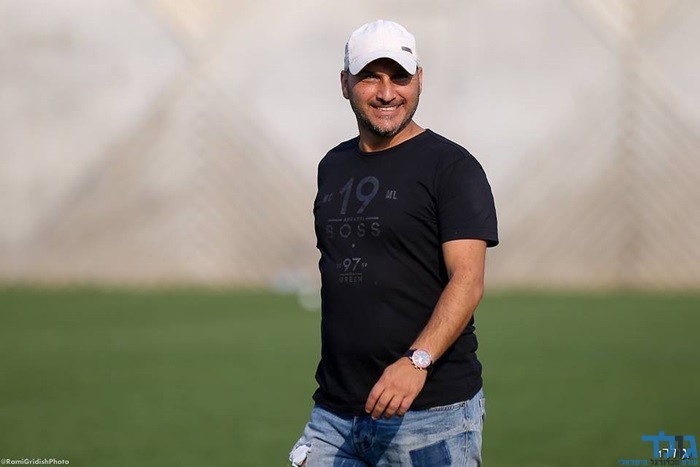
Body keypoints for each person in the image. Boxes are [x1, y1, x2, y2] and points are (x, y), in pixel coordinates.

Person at [290, 19, 499, 467]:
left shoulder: (452, 167)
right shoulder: (332, 166)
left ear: (419, 79)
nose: (387, 93)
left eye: (400, 77)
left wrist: (416, 362)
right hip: (334, 416)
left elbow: (468, 279)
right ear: (345, 84)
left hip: (431, 417)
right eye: (370, 76)